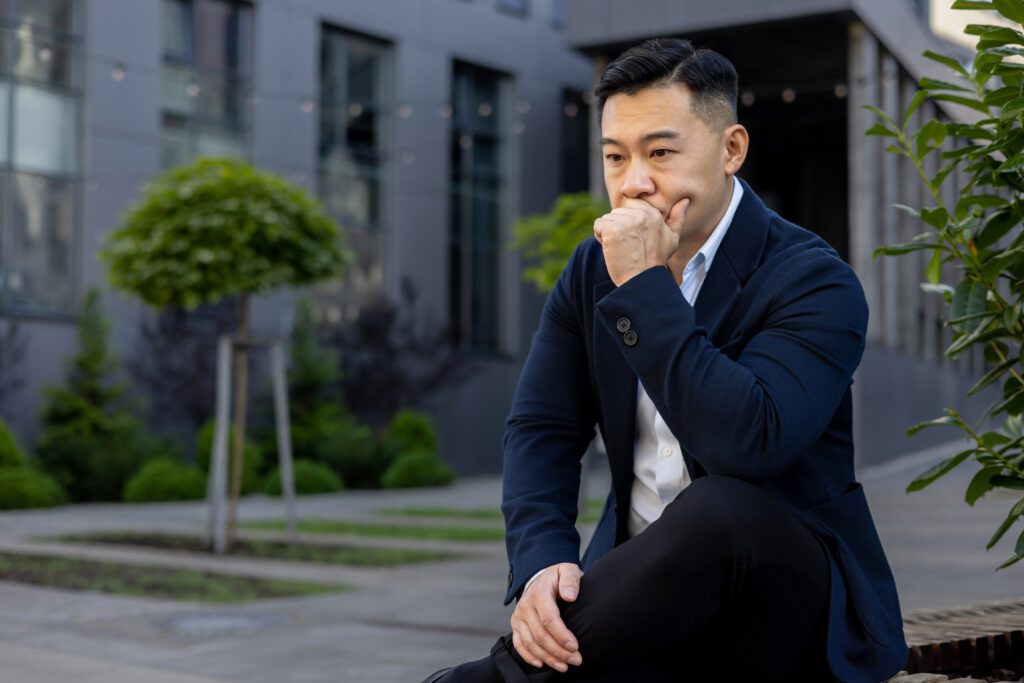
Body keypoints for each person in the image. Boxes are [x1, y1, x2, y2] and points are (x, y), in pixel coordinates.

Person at [423, 37, 907, 683]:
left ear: (731, 148)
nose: (634, 182)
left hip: (784, 597)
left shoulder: (813, 280)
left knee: (718, 507)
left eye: (660, 152)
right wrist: (543, 560)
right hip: (645, 584)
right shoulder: (592, 269)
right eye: (615, 156)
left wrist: (646, 288)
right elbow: (543, 427)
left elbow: (748, 444)